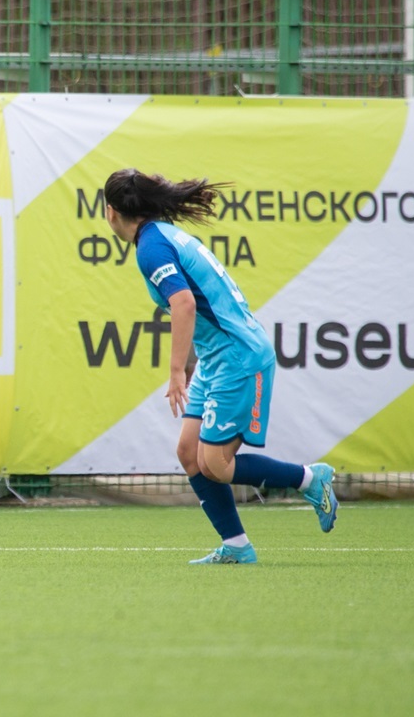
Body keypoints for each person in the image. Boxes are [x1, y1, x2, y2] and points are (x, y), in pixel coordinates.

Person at [103, 168, 337, 564]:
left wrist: (177, 370)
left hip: (239, 357)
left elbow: (185, 304)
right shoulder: (162, 235)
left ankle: (311, 479)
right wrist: (194, 362)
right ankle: (237, 546)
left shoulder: (151, 248)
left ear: (111, 212)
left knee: (216, 464)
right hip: (218, 357)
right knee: (189, 453)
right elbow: (199, 303)